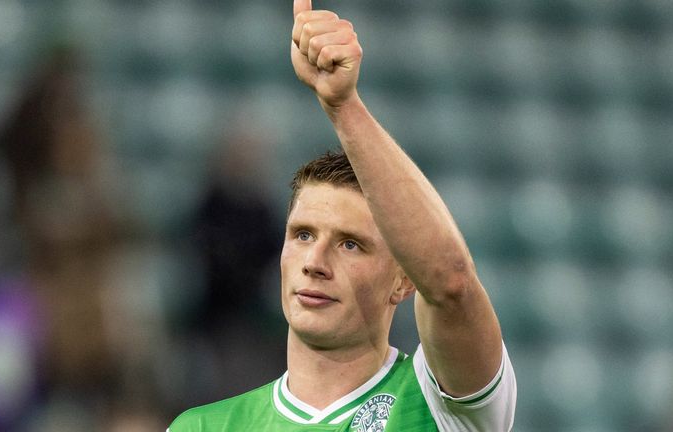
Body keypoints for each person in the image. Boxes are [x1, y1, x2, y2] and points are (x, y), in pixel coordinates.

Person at [168, 1, 516, 430]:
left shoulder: (441, 401)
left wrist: (343, 106)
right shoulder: (202, 426)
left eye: (350, 244)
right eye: (302, 235)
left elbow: (450, 282)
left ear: (404, 280)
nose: (315, 263)